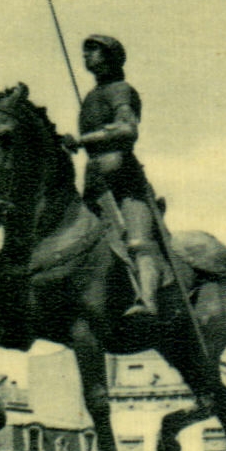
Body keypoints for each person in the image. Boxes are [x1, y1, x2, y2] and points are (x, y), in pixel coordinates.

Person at [61, 34, 162, 317]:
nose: (86, 57)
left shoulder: (120, 90)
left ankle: (149, 300)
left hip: (124, 180)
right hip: (94, 180)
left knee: (137, 241)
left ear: (111, 57)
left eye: (93, 51)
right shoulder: (92, 97)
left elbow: (128, 129)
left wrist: (81, 140)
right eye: (84, 52)